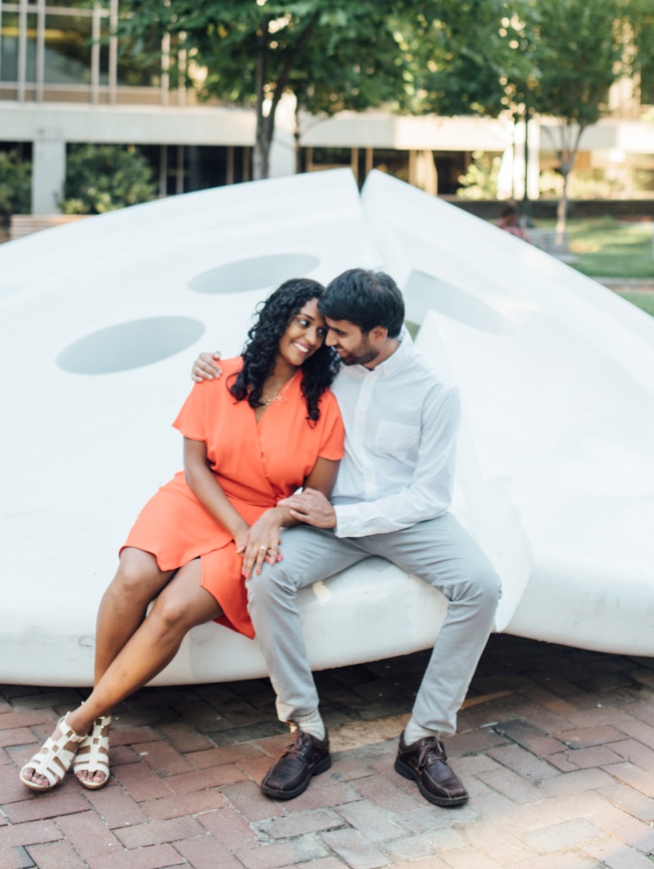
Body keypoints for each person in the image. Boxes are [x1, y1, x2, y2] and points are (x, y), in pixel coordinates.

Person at [18, 279, 343, 793]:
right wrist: (236, 526)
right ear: (281, 317)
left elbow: (314, 499)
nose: (310, 337)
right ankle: (100, 723)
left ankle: (77, 723)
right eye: (303, 321)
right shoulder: (220, 375)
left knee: (172, 611)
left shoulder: (322, 407)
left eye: (322, 331)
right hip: (198, 498)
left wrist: (266, 523)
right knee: (132, 576)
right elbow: (194, 466)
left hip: (259, 522)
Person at [193, 267, 500, 810]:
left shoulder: (435, 389)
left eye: (338, 333)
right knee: (264, 577)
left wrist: (345, 522)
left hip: (407, 520)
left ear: (377, 334)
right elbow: (261, 368)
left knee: (481, 585)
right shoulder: (329, 364)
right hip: (328, 513)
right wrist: (209, 366)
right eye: (326, 331)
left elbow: (430, 496)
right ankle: (307, 732)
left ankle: (422, 739)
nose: (326, 342)